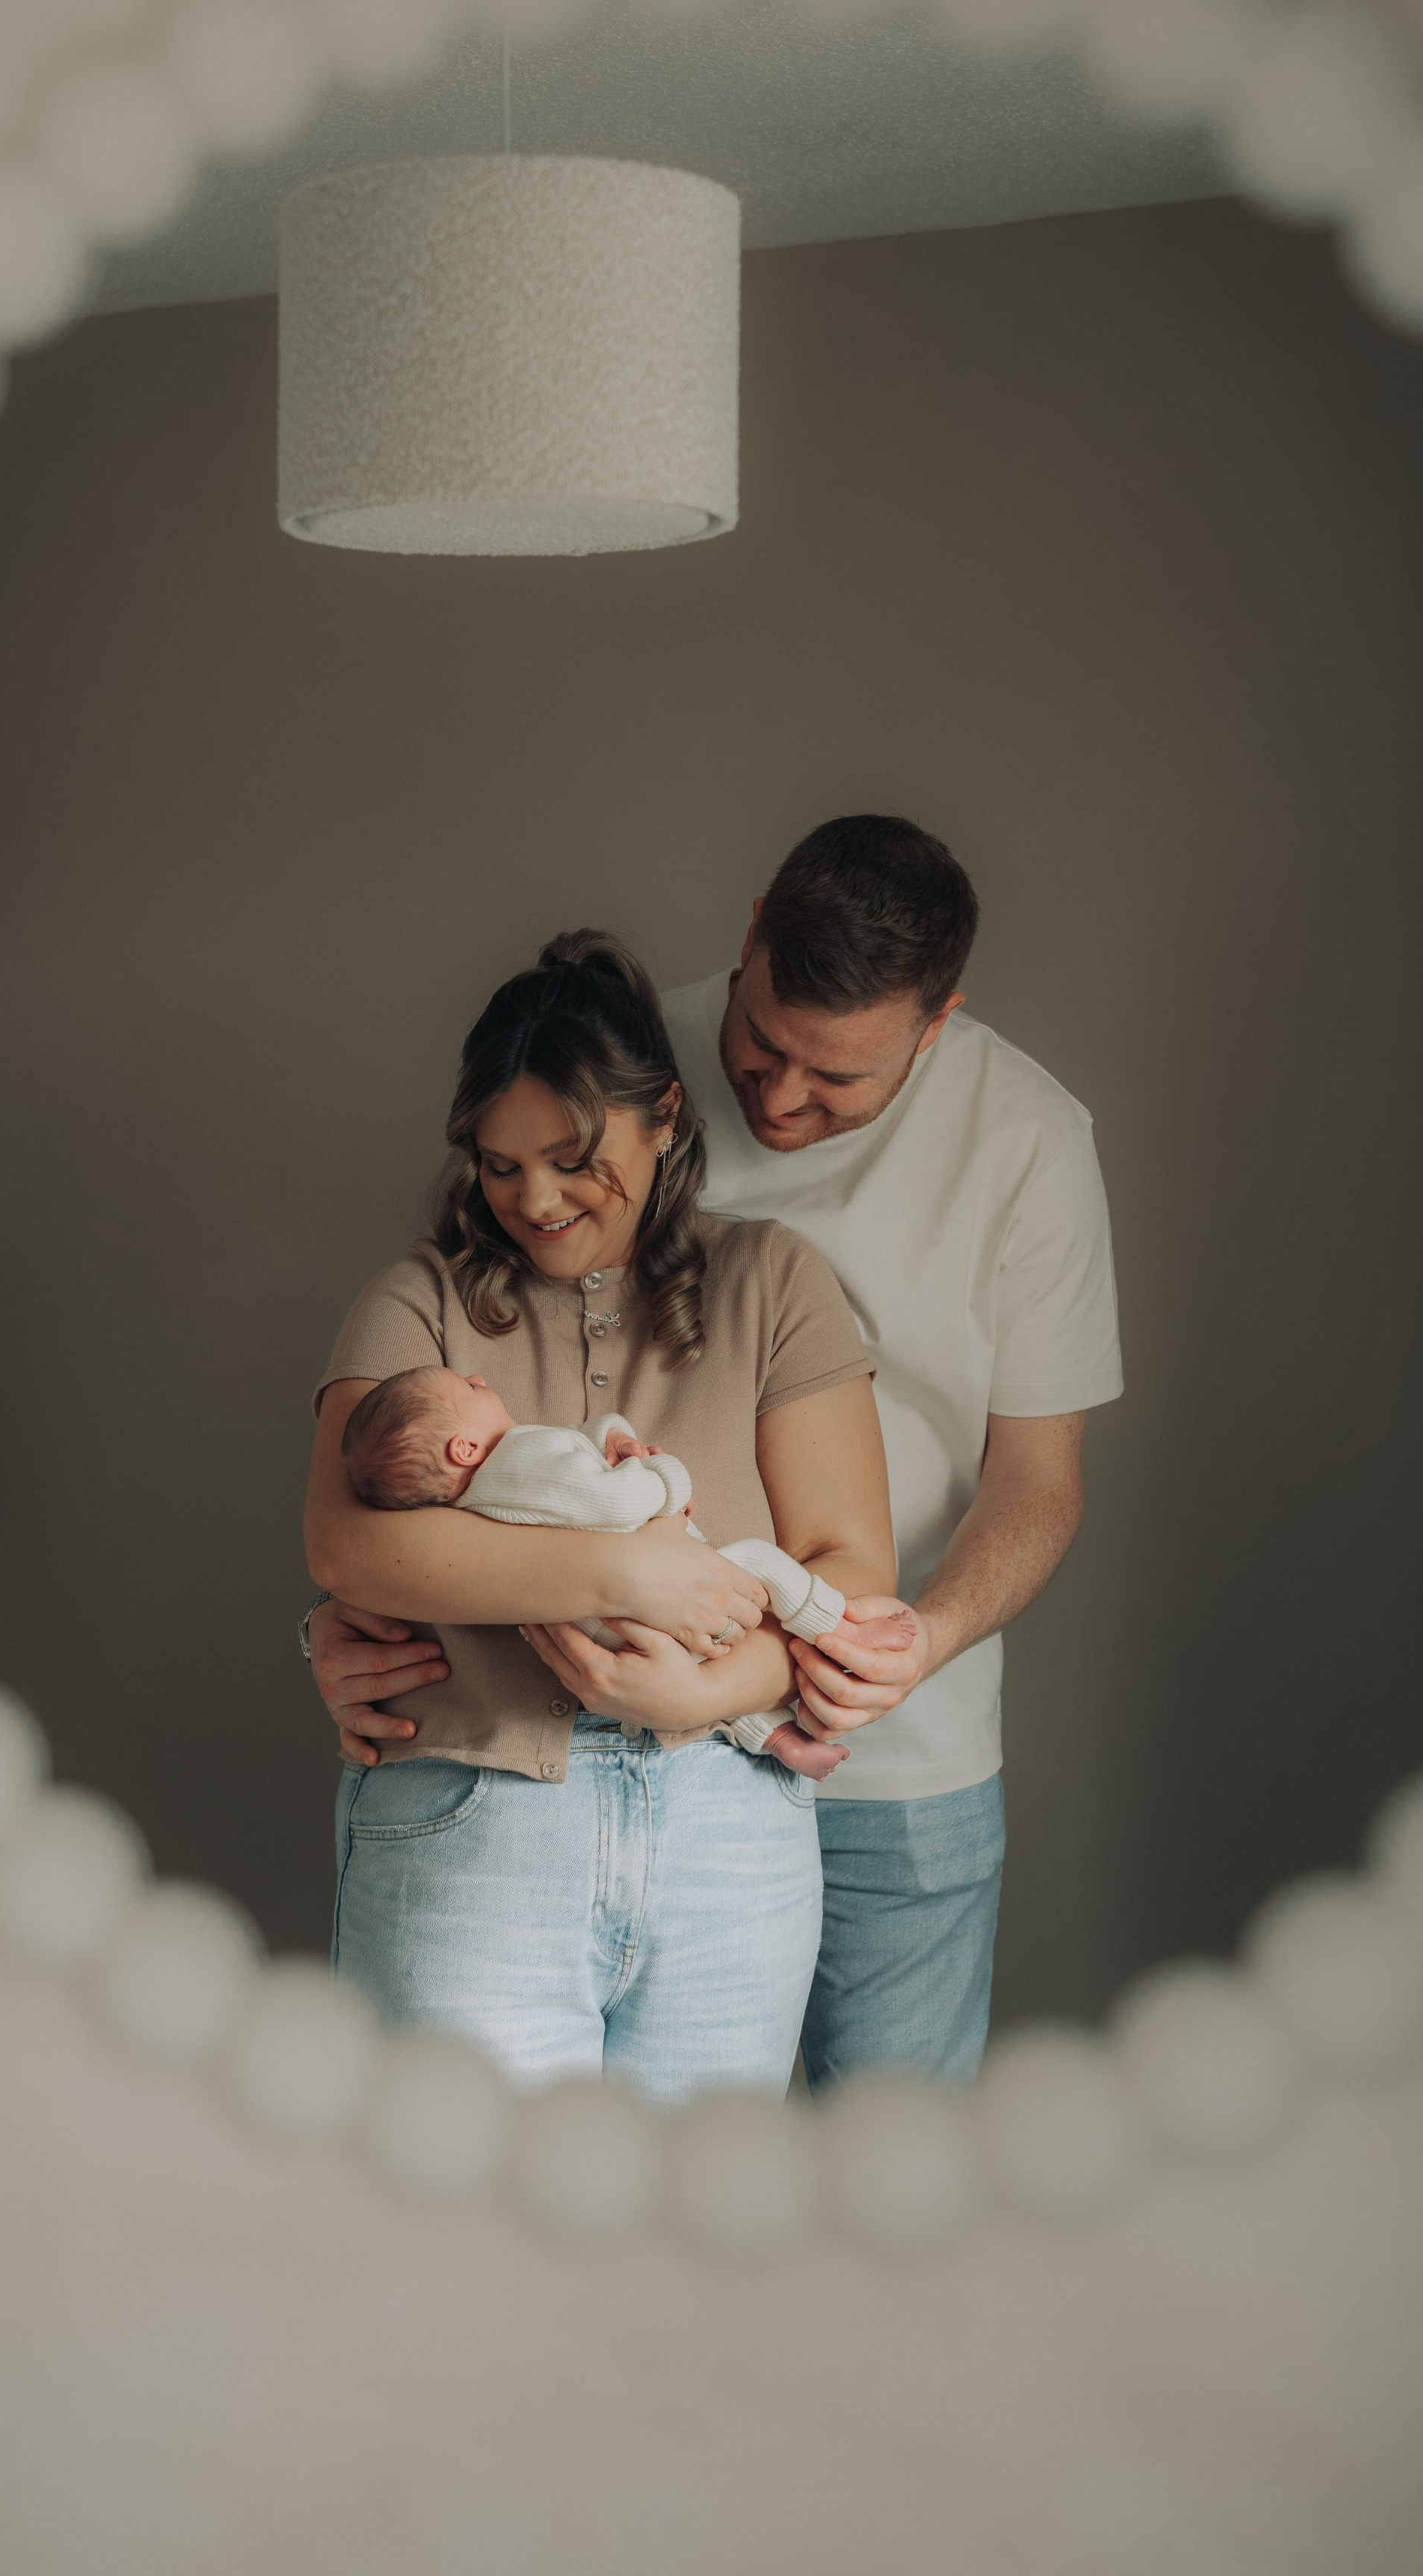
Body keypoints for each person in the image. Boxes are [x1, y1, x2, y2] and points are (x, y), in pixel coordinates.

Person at [311, 817, 1122, 2091]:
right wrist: (369, 1623)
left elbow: (1038, 1483)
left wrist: (902, 1643)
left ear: (936, 1022)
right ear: (747, 944)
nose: (785, 1100)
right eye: (763, 1051)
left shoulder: (1024, 1145)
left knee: (873, 2184)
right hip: (536, 1773)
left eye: (838, 1080)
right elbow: (388, 1485)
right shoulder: (609, 1052)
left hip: (888, 1733)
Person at [304, 930, 903, 2103]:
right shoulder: (417, 1300)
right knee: (459, 2247)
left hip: (731, 1840)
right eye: (497, 1163)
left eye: (573, 1157)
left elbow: (851, 1565)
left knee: (685, 2258)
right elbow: (350, 1544)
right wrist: (631, 1578)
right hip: (474, 1821)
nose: (533, 1199)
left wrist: (704, 1691)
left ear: (665, 1118)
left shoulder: (774, 1284)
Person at [339, 1368, 872, 1761]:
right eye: (469, 1389)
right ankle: (839, 1632)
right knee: (760, 1559)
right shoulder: (519, 1455)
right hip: (669, 1600)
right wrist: (664, 1476)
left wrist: (610, 1438)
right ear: (463, 1448)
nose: (479, 1378)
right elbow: (616, 1502)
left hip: (613, 1639)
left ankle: (772, 1736)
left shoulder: (482, 1501)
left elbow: (573, 1461)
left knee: (698, 1678)